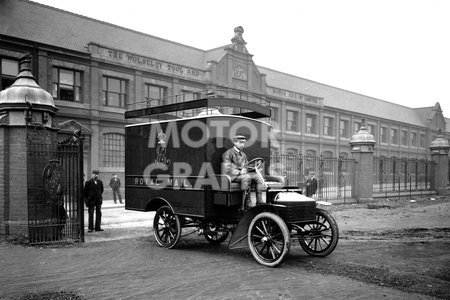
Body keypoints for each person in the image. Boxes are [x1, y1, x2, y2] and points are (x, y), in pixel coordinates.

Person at [222, 135, 265, 210]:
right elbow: (227, 169)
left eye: (244, 143)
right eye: (240, 142)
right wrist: (240, 172)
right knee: (247, 177)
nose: (243, 145)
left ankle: (259, 200)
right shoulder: (228, 153)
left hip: (241, 175)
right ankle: (247, 202)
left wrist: (255, 169)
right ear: (235, 142)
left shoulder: (243, 155)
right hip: (231, 176)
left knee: (257, 176)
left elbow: (246, 166)